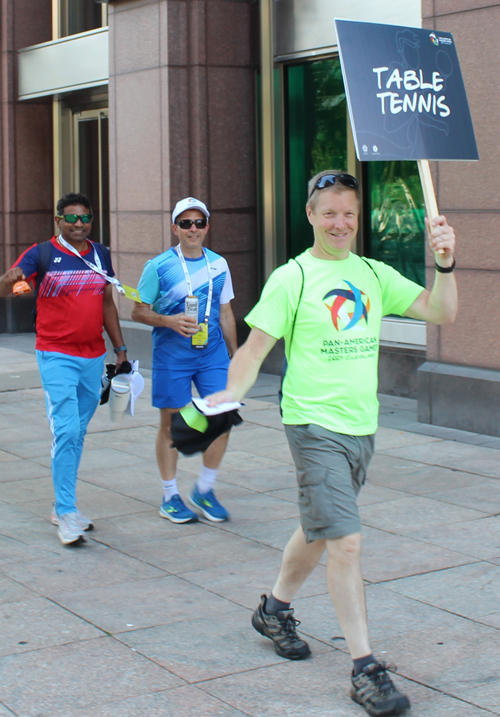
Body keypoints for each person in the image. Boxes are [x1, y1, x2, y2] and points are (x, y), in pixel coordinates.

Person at [206, 170, 458, 716]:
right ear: (311, 215)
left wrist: (444, 261)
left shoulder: (373, 273)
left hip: (361, 426)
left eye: (348, 213)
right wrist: (227, 394)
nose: (339, 223)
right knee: (346, 541)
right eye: (329, 213)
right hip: (312, 424)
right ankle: (365, 669)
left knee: (321, 529)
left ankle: (273, 609)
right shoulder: (292, 278)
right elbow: (253, 350)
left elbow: (443, 313)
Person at [0, 192, 128, 546]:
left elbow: (106, 304)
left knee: (76, 433)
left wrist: (120, 349)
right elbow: (8, 286)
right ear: (58, 221)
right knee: (67, 430)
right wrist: (9, 279)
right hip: (56, 354)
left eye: (84, 217)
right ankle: (66, 511)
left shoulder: (100, 254)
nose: (78, 224)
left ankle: (62, 505)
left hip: (93, 356)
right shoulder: (41, 253)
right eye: (70, 218)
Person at [131, 196, 238, 524]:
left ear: (207, 227)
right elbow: (138, 310)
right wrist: (170, 321)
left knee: (222, 418)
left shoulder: (218, 264)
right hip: (172, 356)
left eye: (199, 223)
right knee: (172, 426)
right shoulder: (158, 266)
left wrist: (237, 355)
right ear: (175, 227)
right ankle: (169, 496)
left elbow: (225, 312)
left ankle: (204, 489)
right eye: (186, 223)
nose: (193, 229)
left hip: (212, 355)